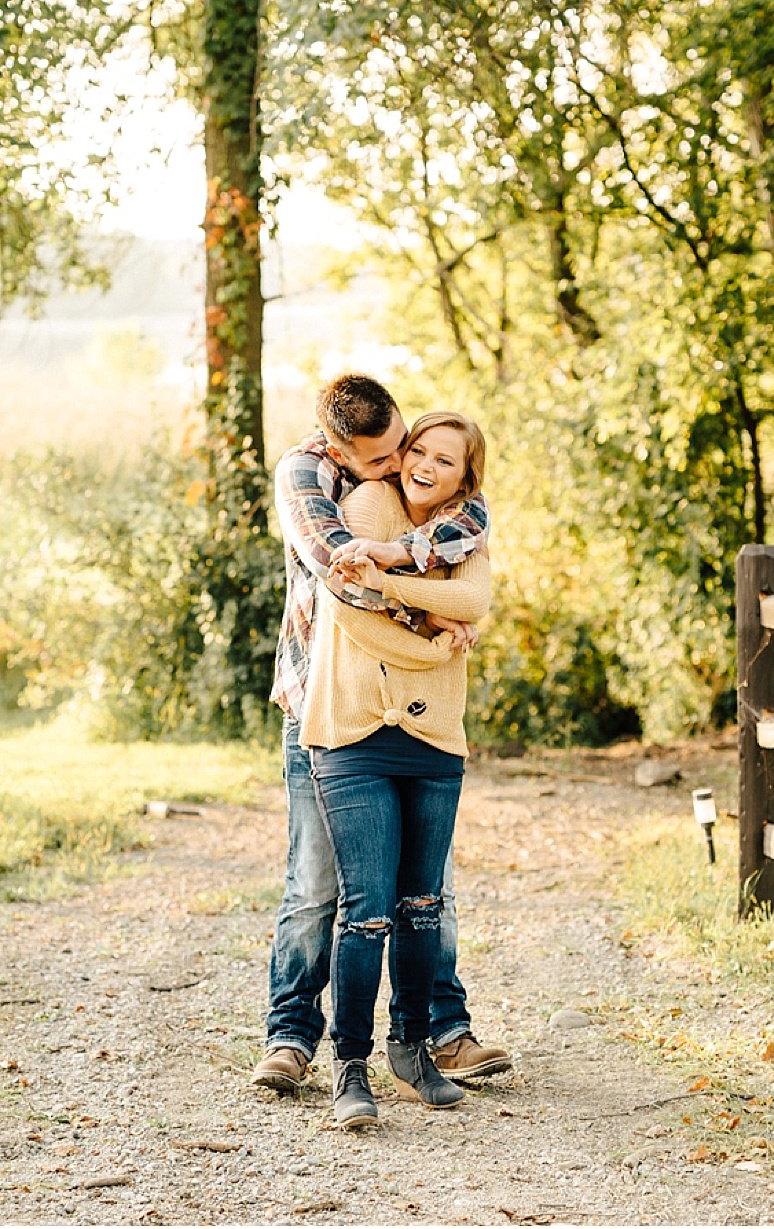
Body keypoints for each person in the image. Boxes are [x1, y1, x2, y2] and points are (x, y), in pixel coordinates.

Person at [251, 375, 512, 1093]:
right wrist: (433, 619)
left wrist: (414, 565)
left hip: (415, 715)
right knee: (317, 884)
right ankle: (293, 1035)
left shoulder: (426, 468)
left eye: (405, 444)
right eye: (383, 457)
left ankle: (442, 1030)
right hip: (321, 703)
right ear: (338, 448)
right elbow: (342, 573)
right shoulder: (307, 475)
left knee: (430, 889)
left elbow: (470, 532)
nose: (400, 464)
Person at [302, 410, 493, 1128]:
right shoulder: (365, 505)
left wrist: (399, 580)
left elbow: (473, 598)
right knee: (368, 911)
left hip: (436, 737)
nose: (426, 465)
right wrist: (438, 642)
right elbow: (352, 611)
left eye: (447, 460)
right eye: (420, 449)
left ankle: (411, 1049)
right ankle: (349, 1066)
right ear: (402, 450)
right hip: (352, 733)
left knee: (422, 907)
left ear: (463, 476)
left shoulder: (467, 524)